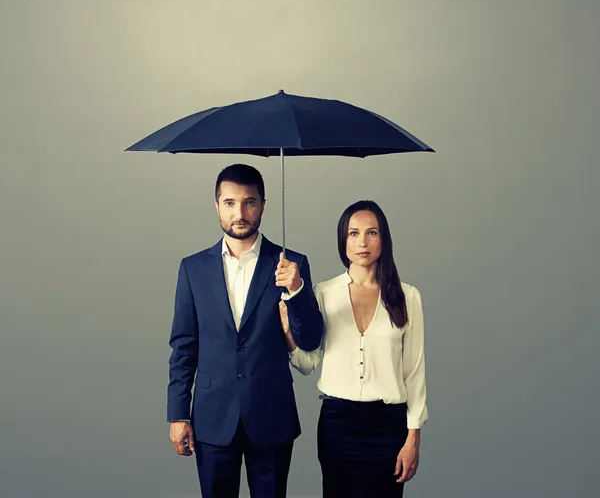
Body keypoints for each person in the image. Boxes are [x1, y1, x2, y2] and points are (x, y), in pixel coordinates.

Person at [167, 164, 324, 498]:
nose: (239, 212)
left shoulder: (291, 264)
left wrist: (296, 290)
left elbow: (311, 340)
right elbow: (183, 347)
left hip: (271, 414)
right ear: (217, 205)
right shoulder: (193, 268)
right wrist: (178, 413)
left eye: (249, 202)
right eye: (229, 202)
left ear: (264, 204)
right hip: (212, 417)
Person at [279, 199, 428, 497]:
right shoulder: (322, 293)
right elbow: (309, 363)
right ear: (342, 240)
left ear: (383, 239)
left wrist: (413, 439)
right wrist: (288, 335)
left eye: (372, 233)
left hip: (389, 425)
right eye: (353, 233)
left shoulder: (407, 296)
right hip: (338, 423)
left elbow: (414, 372)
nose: (363, 242)